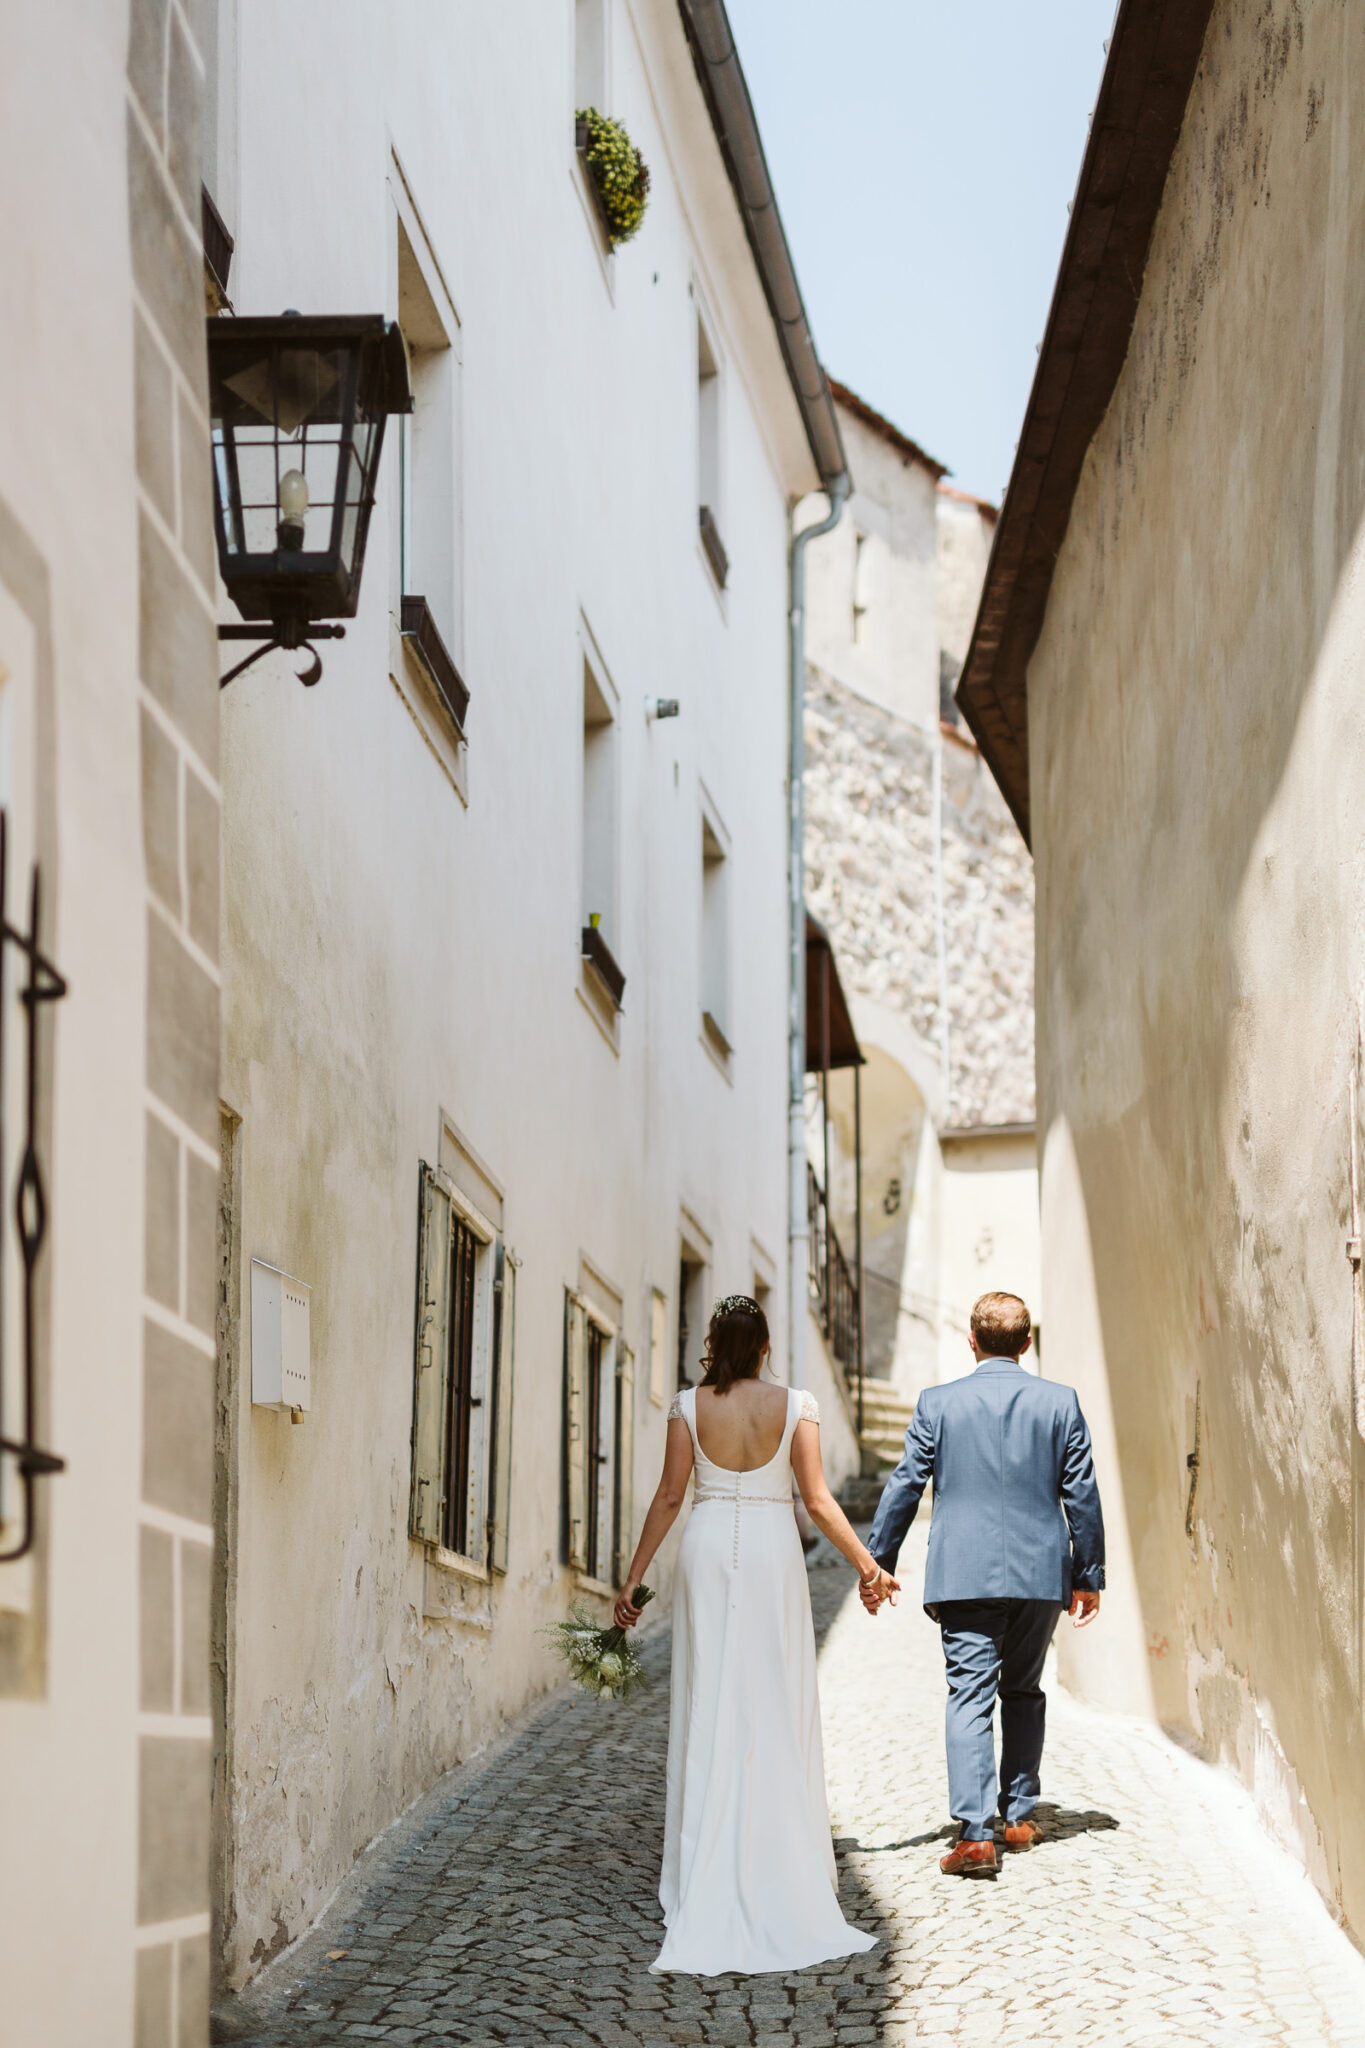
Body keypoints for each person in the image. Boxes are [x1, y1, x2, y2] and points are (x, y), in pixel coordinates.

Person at [614, 1293, 890, 1975]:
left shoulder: (686, 1405)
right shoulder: (796, 1405)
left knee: (709, 1699)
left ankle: (700, 1867)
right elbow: (817, 1499)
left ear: (713, 1343)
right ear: (764, 1346)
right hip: (771, 1550)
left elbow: (671, 1497)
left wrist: (633, 1580)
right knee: (773, 1699)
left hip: (708, 1547)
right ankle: (777, 1859)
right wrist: (867, 1566)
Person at [862, 1290, 1105, 1878]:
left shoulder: (937, 1404)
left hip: (964, 1573)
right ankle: (1019, 1817)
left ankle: (974, 1836)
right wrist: (1088, 1574)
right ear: (1027, 1343)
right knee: (1022, 1689)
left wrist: (878, 1563)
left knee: (969, 1694)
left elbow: (905, 1485)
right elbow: (1082, 1493)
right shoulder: (1061, 1403)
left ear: (971, 1341)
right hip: (1038, 1574)